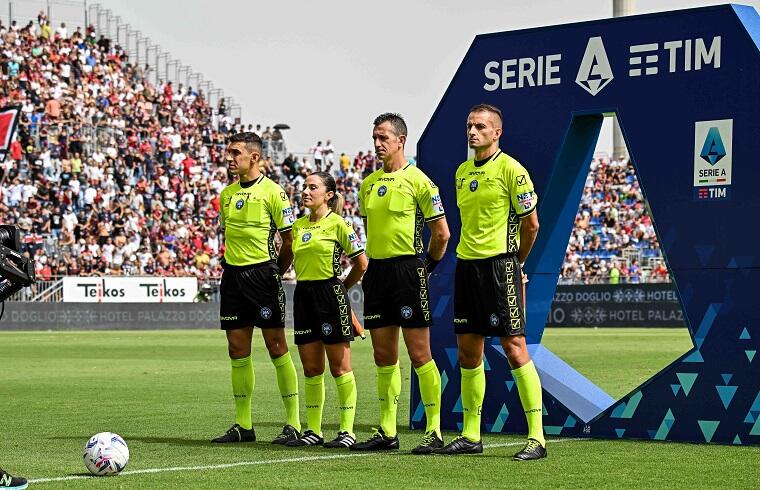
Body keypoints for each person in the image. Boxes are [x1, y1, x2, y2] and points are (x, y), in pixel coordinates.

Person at [434, 104, 545, 460]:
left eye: (480, 126)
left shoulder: (513, 170)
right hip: (466, 268)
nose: (472, 131)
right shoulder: (462, 172)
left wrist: (516, 262)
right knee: (468, 351)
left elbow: (532, 226)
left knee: (514, 347)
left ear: (497, 132)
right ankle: (470, 434)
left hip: (500, 267)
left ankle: (537, 438)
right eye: (469, 125)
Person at [350, 113, 450, 454]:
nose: (377, 143)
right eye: (374, 137)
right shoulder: (367, 185)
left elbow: (442, 233)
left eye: (383, 138)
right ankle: (387, 431)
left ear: (400, 140)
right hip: (376, 272)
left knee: (420, 353)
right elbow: (370, 230)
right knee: (383, 355)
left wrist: (427, 266)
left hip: (408, 271)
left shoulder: (420, 181)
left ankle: (434, 432)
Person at [212, 132, 301, 445]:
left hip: (263, 275)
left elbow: (289, 240)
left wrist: (279, 269)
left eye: (235, 153)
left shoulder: (274, 193)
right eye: (229, 152)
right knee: (237, 350)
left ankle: (293, 423)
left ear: (254, 156)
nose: (229, 158)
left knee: (277, 346)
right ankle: (243, 425)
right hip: (233, 277)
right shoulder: (226, 194)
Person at [285, 171, 368, 448]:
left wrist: (343, 286)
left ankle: (347, 431)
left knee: (340, 367)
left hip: (331, 295)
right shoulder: (297, 227)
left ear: (329, 195)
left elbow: (362, 263)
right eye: (304, 186)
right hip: (304, 295)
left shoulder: (339, 224)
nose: (306, 191)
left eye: (313, 187)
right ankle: (314, 431)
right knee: (311, 368)